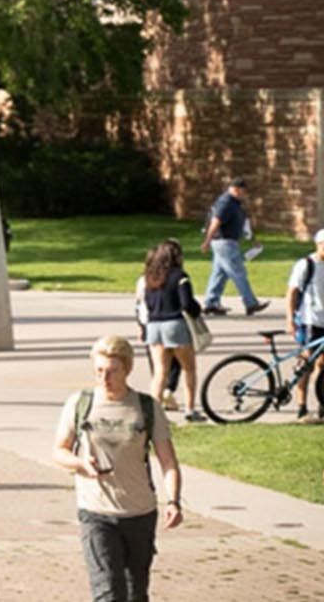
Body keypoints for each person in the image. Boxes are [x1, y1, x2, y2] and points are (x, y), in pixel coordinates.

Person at [53, 334, 183, 602]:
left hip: (140, 513)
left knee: (136, 594)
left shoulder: (146, 407)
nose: (105, 378)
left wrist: (174, 501)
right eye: (99, 370)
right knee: (108, 594)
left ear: (127, 369)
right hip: (96, 513)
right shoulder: (80, 403)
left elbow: (168, 462)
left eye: (112, 371)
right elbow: (59, 451)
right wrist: (80, 464)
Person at [135, 239, 205, 422]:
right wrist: (198, 310)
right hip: (174, 323)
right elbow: (186, 303)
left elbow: (145, 303)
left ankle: (154, 413)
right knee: (189, 369)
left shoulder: (150, 278)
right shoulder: (180, 277)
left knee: (160, 372)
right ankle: (190, 409)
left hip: (153, 326)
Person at [200, 177, 267, 316]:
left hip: (225, 242)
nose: (244, 194)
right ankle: (251, 303)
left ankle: (211, 303)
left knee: (219, 274)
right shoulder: (226, 203)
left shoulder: (234, 203)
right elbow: (215, 222)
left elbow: (243, 225)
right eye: (243, 191)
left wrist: (253, 239)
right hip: (225, 243)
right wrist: (207, 241)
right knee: (238, 273)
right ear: (236, 189)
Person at [287, 228, 324, 422]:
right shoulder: (307, 265)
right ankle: (301, 407)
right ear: (318, 244)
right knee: (306, 364)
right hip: (310, 321)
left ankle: (321, 404)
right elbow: (292, 292)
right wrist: (290, 319)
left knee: (322, 365)